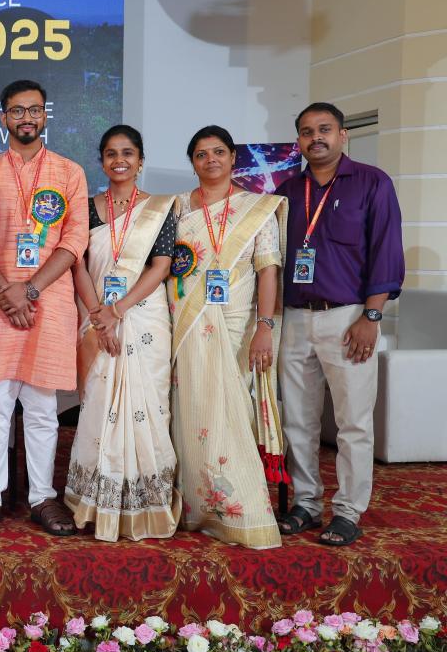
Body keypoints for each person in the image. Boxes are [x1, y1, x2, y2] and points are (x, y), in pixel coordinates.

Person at [0, 80, 89, 535]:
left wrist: (29, 290)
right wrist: (5, 291)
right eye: (17, 110)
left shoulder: (70, 172)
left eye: (34, 110)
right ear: (3, 118)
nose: (27, 118)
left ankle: (42, 497)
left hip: (48, 304)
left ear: (45, 116)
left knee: (41, 408)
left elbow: (74, 240)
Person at [275, 102, 404, 547]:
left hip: (349, 317)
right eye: (307, 131)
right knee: (298, 420)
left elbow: (386, 251)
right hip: (294, 318)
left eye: (325, 129)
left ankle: (348, 511)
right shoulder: (287, 192)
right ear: (299, 141)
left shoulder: (372, 182)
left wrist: (372, 316)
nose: (316, 138)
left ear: (343, 134)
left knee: (353, 422)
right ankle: (306, 504)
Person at [169, 125, 285, 550]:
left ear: (233, 157)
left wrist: (265, 326)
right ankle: (195, 506)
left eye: (218, 152)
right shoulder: (178, 207)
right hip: (186, 322)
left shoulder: (257, 208)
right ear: (193, 162)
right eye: (201, 154)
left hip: (237, 323)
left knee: (231, 407)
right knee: (191, 406)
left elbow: (267, 269)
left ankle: (240, 509)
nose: (211, 160)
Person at [64, 125, 181, 541]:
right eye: (111, 153)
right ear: (101, 161)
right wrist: (100, 316)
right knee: (98, 404)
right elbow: (77, 263)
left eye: (128, 153)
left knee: (147, 406)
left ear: (140, 160)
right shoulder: (86, 207)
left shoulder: (161, 208)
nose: (120, 160)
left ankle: (145, 505)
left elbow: (161, 267)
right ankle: (97, 501)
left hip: (144, 319)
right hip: (96, 315)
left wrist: (118, 310)